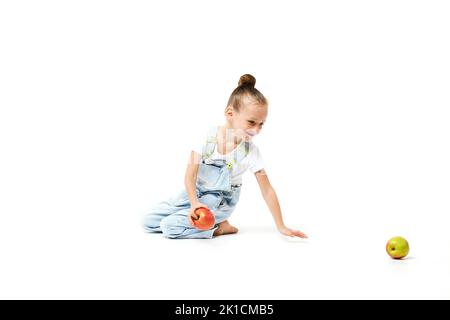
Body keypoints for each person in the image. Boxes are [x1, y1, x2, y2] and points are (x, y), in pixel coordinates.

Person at [143, 74, 308, 239]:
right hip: (194, 194)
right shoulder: (204, 138)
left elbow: (267, 190)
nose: (256, 129)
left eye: (261, 124)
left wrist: (281, 226)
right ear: (230, 113)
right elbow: (190, 175)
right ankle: (196, 217)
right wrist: (194, 203)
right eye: (251, 122)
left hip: (219, 201)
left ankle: (218, 228)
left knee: (169, 227)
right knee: (148, 222)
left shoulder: (251, 152)